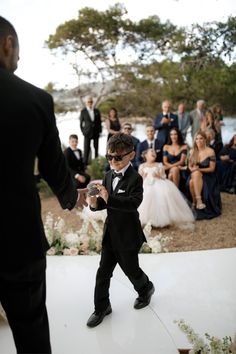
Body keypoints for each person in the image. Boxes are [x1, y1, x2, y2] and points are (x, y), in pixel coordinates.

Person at [0, 17, 87, 354]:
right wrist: (71, 196)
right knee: (31, 329)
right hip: (18, 241)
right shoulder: (35, 100)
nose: (17, 62)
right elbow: (54, 166)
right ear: (8, 44)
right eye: (17, 54)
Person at [86, 133, 155, 328]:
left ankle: (146, 288)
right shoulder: (108, 175)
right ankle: (101, 307)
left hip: (127, 234)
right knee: (103, 272)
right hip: (110, 234)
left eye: (118, 157)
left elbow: (133, 204)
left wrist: (109, 198)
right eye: (110, 157)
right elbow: (103, 204)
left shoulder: (136, 179)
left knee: (131, 270)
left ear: (131, 155)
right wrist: (93, 203)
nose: (113, 161)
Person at [138, 149, 194, 228]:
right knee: (146, 194)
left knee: (164, 193)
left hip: (158, 182)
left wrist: (158, 176)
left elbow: (164, 176)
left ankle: (164, 219)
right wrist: (143, 176)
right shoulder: (142, 166)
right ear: (146, 155)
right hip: (146, 183)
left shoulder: (159, 164)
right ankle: (145, 219)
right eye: (151, 152)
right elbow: (139, 179)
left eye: (155, 152)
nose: (154, 153)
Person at [187, 130, 221, 220]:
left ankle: (195, 203)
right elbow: (189, 166)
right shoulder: (192, 151)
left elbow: (212, 169)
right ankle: (198, 202)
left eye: (201, 138)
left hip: (208, 176)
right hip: (195, 175)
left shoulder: (210, 151)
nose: (199, 141)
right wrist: (193, 169)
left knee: (192, 180)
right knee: (193, 179)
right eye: (197, 139)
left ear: (205, 140)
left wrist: (198, 169)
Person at [79, 95, 102, 166]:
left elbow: (99, 122)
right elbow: (81, 123)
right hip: (87, 133)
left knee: (96, 148)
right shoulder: (83, 111)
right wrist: (83, 132)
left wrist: (100, 131)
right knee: (86, 149)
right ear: (86, 102)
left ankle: (96, 164)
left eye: (91, 101)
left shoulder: (96, 110)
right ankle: (85, 165)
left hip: (96, 132)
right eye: (88, 102)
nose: (90, 103)